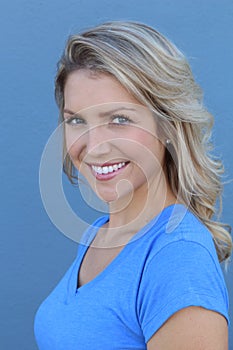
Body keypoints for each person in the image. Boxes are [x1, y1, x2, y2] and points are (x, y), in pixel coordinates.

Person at [34, 21, 232, 349]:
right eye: (76, 120)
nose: (94, 145)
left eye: (119, 119)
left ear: (168, 125)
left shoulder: (178, 259)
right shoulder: (97, 234)